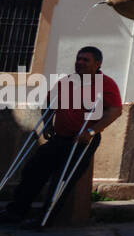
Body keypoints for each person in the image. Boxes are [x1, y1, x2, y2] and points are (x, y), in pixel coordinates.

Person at [1, 46, 122, 226]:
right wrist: (48, 125)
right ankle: (16, 211)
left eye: (85, 60)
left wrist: (91, 131)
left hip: (82, 141)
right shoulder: (66, 82)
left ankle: (45, 218)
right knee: (34, 169)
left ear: (97, 64)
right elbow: (49, 102)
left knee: (63, 180)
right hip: (60, 137)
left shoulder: (106, 84)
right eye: (78, 59)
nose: (79, 62)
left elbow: (115, 110)